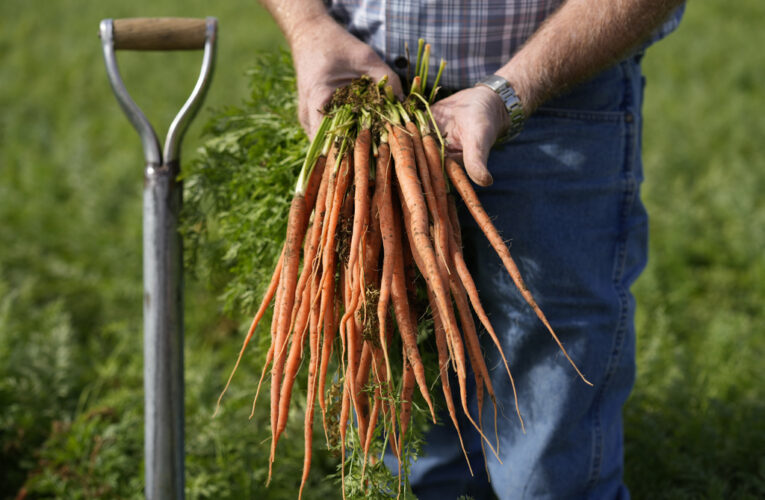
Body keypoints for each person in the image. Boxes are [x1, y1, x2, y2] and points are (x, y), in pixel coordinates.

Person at [260, 1, 684, 498]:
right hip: (362, 101)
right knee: (401, 389)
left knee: (548, 461)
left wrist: (509, 92)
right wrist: (309, 25)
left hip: (555, 90)